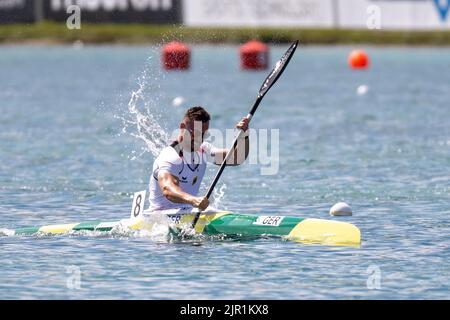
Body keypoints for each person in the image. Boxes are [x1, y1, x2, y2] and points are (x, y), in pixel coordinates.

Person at [147, 106, 249, 213]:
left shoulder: (203, 150)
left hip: (188, 211)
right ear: (182, 127)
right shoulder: (170, 156)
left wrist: (244, 135)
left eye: (203, 134)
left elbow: (238, 157)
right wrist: (194, 200)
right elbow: (168, 190)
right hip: (161, 216)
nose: (198, 139)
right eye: (195, 133)